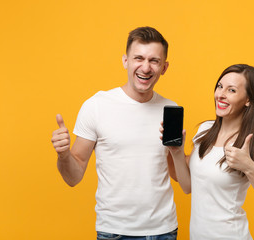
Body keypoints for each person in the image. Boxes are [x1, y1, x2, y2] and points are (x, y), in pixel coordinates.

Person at [51, 26, 179, 240]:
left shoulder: (171, 110)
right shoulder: (97, 106)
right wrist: (63, 155)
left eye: (154, 61)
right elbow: (73, 177)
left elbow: (180, 175)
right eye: (138, 58)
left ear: (164, 67)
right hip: (114, 232)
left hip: (164, 230)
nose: (145, 68)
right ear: (125, 61)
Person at [160, 64, 254, 239]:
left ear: (248, 99)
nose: (221, 94)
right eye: (220, 86)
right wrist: (176, 151)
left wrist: (249, 167)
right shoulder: (205, 130)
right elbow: (188, 187)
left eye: (232, 90)